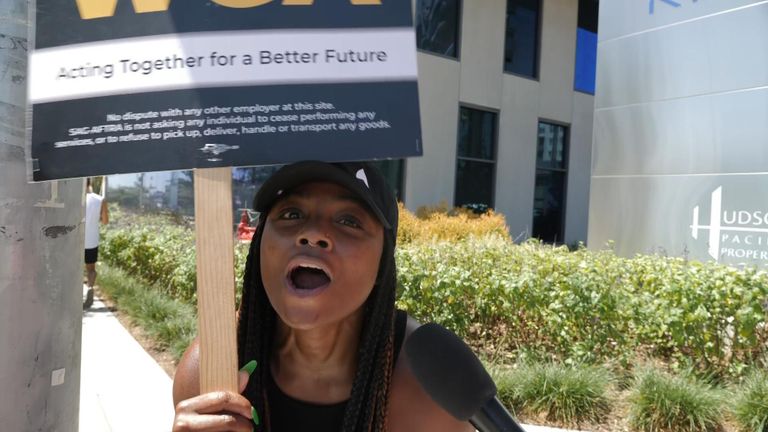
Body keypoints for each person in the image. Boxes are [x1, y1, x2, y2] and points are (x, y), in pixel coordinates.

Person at [172, 161, 473, 432]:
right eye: (291, 214)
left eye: (349, 221)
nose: (312, 232)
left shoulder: (429, 390)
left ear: (383, 263)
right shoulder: (210, 370)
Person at [83, 177, 108, 309]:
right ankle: (90, 289)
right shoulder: (100, 200)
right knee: (91, 269)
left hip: (75, 240)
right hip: (91, 240)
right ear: (90, 183)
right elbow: (105, 221)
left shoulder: (73, 199)